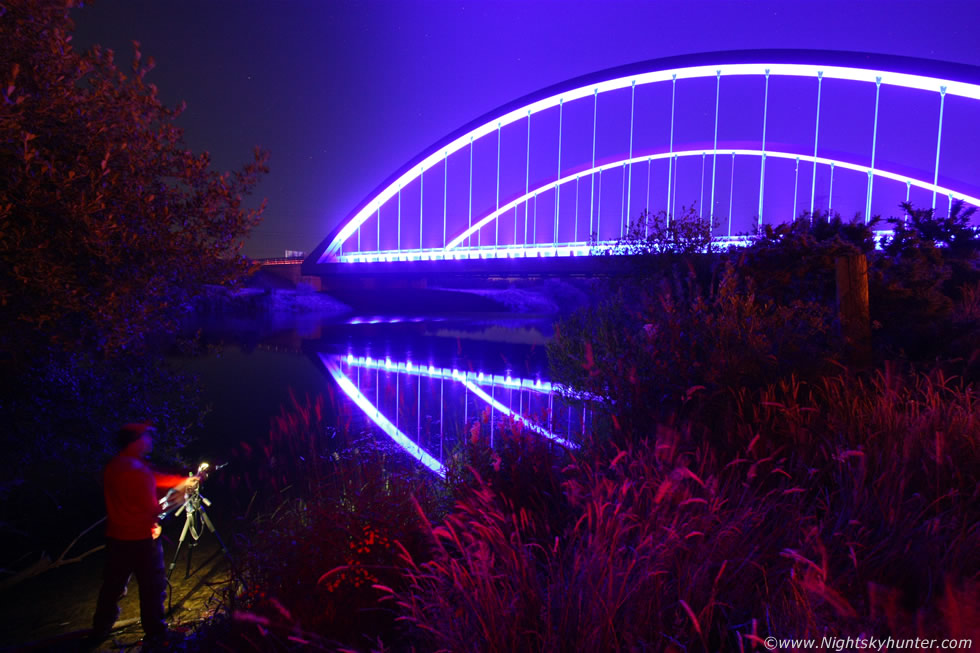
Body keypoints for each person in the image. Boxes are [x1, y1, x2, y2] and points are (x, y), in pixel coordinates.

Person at [88, 423, 198, 647]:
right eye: (147, 437)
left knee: (112, 587)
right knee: (152, 587)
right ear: (136, 440)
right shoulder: (138, 472)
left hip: (116, 538)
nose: (150, 441)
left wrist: (180, 481)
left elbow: (153, 479)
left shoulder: (114, 466)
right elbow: (154, 510)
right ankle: (156, 633)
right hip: (141, 541)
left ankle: (100, 630)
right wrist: (181, 496)